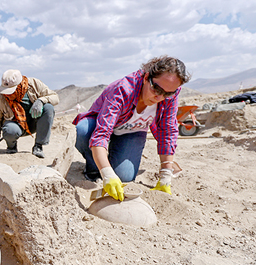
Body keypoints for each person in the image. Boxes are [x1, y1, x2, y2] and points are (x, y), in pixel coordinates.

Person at [73, 55, 191, 201]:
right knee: (83, 130)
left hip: (131, 132)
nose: (159, 97)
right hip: (99, 126)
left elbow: (168, 131)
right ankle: (93, 168)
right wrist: (107, 175)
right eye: (156, 89)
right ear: (147, 77)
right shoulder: (123, 89)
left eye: (168, 93)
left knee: (125, 177)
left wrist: (166, 175)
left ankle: (109, 161)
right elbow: (101, 134)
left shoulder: (171, 95)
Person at [0, 69, 59, 158]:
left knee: (48, 108)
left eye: (10, 91)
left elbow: (55, 98)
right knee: (10, 130)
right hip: (16, 126)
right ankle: (11, 146)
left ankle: (38, 146)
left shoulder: (34, 84)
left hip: (34, 123)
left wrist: (41, 100)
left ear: (19, 86)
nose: (7, 95)